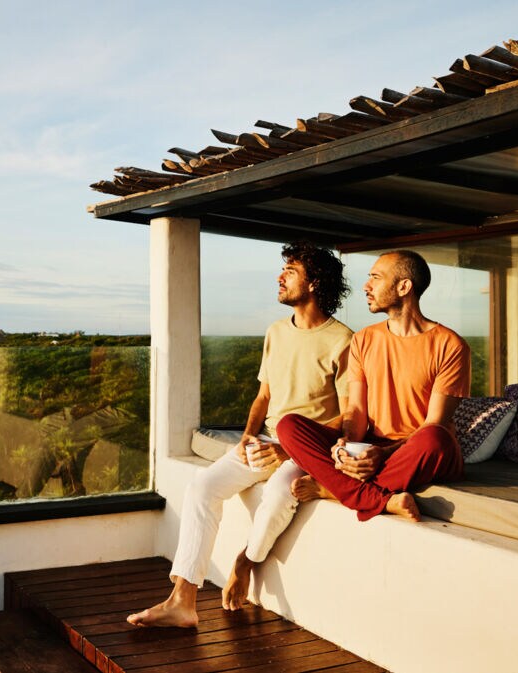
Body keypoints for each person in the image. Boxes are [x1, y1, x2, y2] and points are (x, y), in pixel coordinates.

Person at [127, 241, 353, 628]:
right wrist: (248, 436)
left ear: (314, 282)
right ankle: (182, 600)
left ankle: (244, 560)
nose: (280, 278)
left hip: (306, 450)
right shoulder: (276, 332)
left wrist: (287, 450)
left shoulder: (344, 340)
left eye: (291, 271)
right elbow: (264, 395)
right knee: (202, 486)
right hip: (264, 441)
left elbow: (349, 417)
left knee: (281, 494)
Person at [278, 249, 469, 522]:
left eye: (376, 278)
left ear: (404, 286)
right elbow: (355, 410)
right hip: (371, 445)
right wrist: (346, 445)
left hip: (416, 450)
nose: (366, 286)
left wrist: (383, 454)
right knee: (289, 426)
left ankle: (335, 490)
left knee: (436, 438)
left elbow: (433, 423)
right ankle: (373, 497)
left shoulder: (450, 345)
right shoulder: (364, 339)